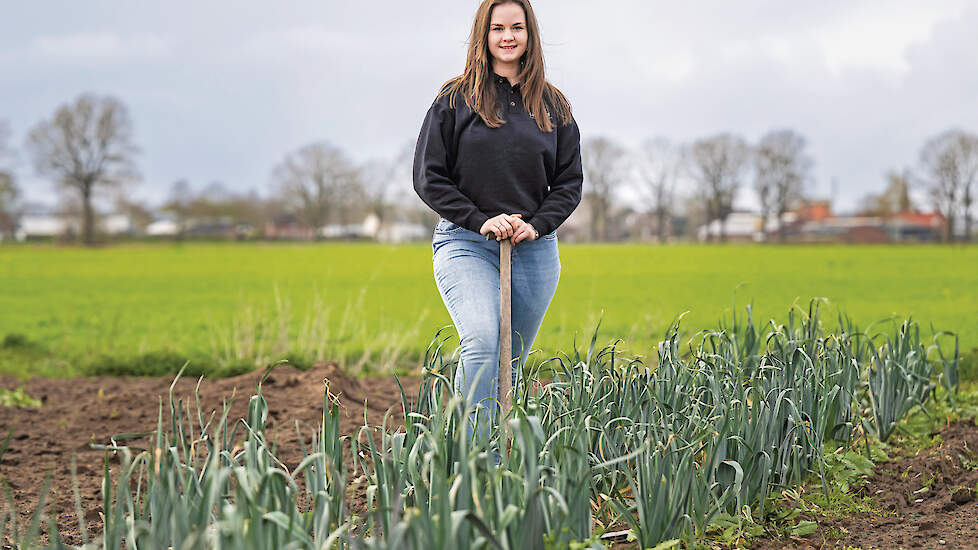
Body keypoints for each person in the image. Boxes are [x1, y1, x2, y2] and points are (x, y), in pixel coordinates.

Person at [413, 0, 582, 430]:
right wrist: (479, 219)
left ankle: (501, 467)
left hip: (534, 250)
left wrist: (536, 224)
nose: (508, 37)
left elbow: (568, 184)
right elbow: (428, 177)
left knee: (512, 362)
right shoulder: (454, 99)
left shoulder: (554, 105)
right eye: (497, 28)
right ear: (483, 35)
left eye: (517, 27)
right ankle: (468, 462)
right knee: (483, 346)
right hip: (467, 242)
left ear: (530, 35)